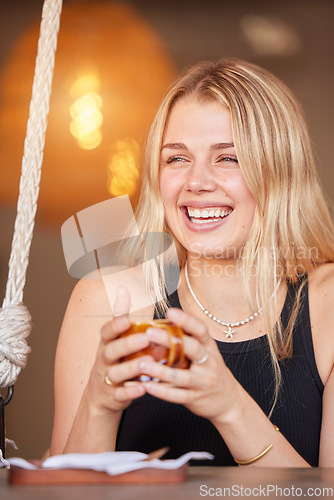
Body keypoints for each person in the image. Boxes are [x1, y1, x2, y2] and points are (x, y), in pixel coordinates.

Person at [50, 58, 334, 467]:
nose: (196, 182)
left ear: (280, 171)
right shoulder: (104, 300)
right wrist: (100, 401)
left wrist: (228, 404)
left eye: (228, 158)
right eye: (177, 159)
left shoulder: (325, 306)